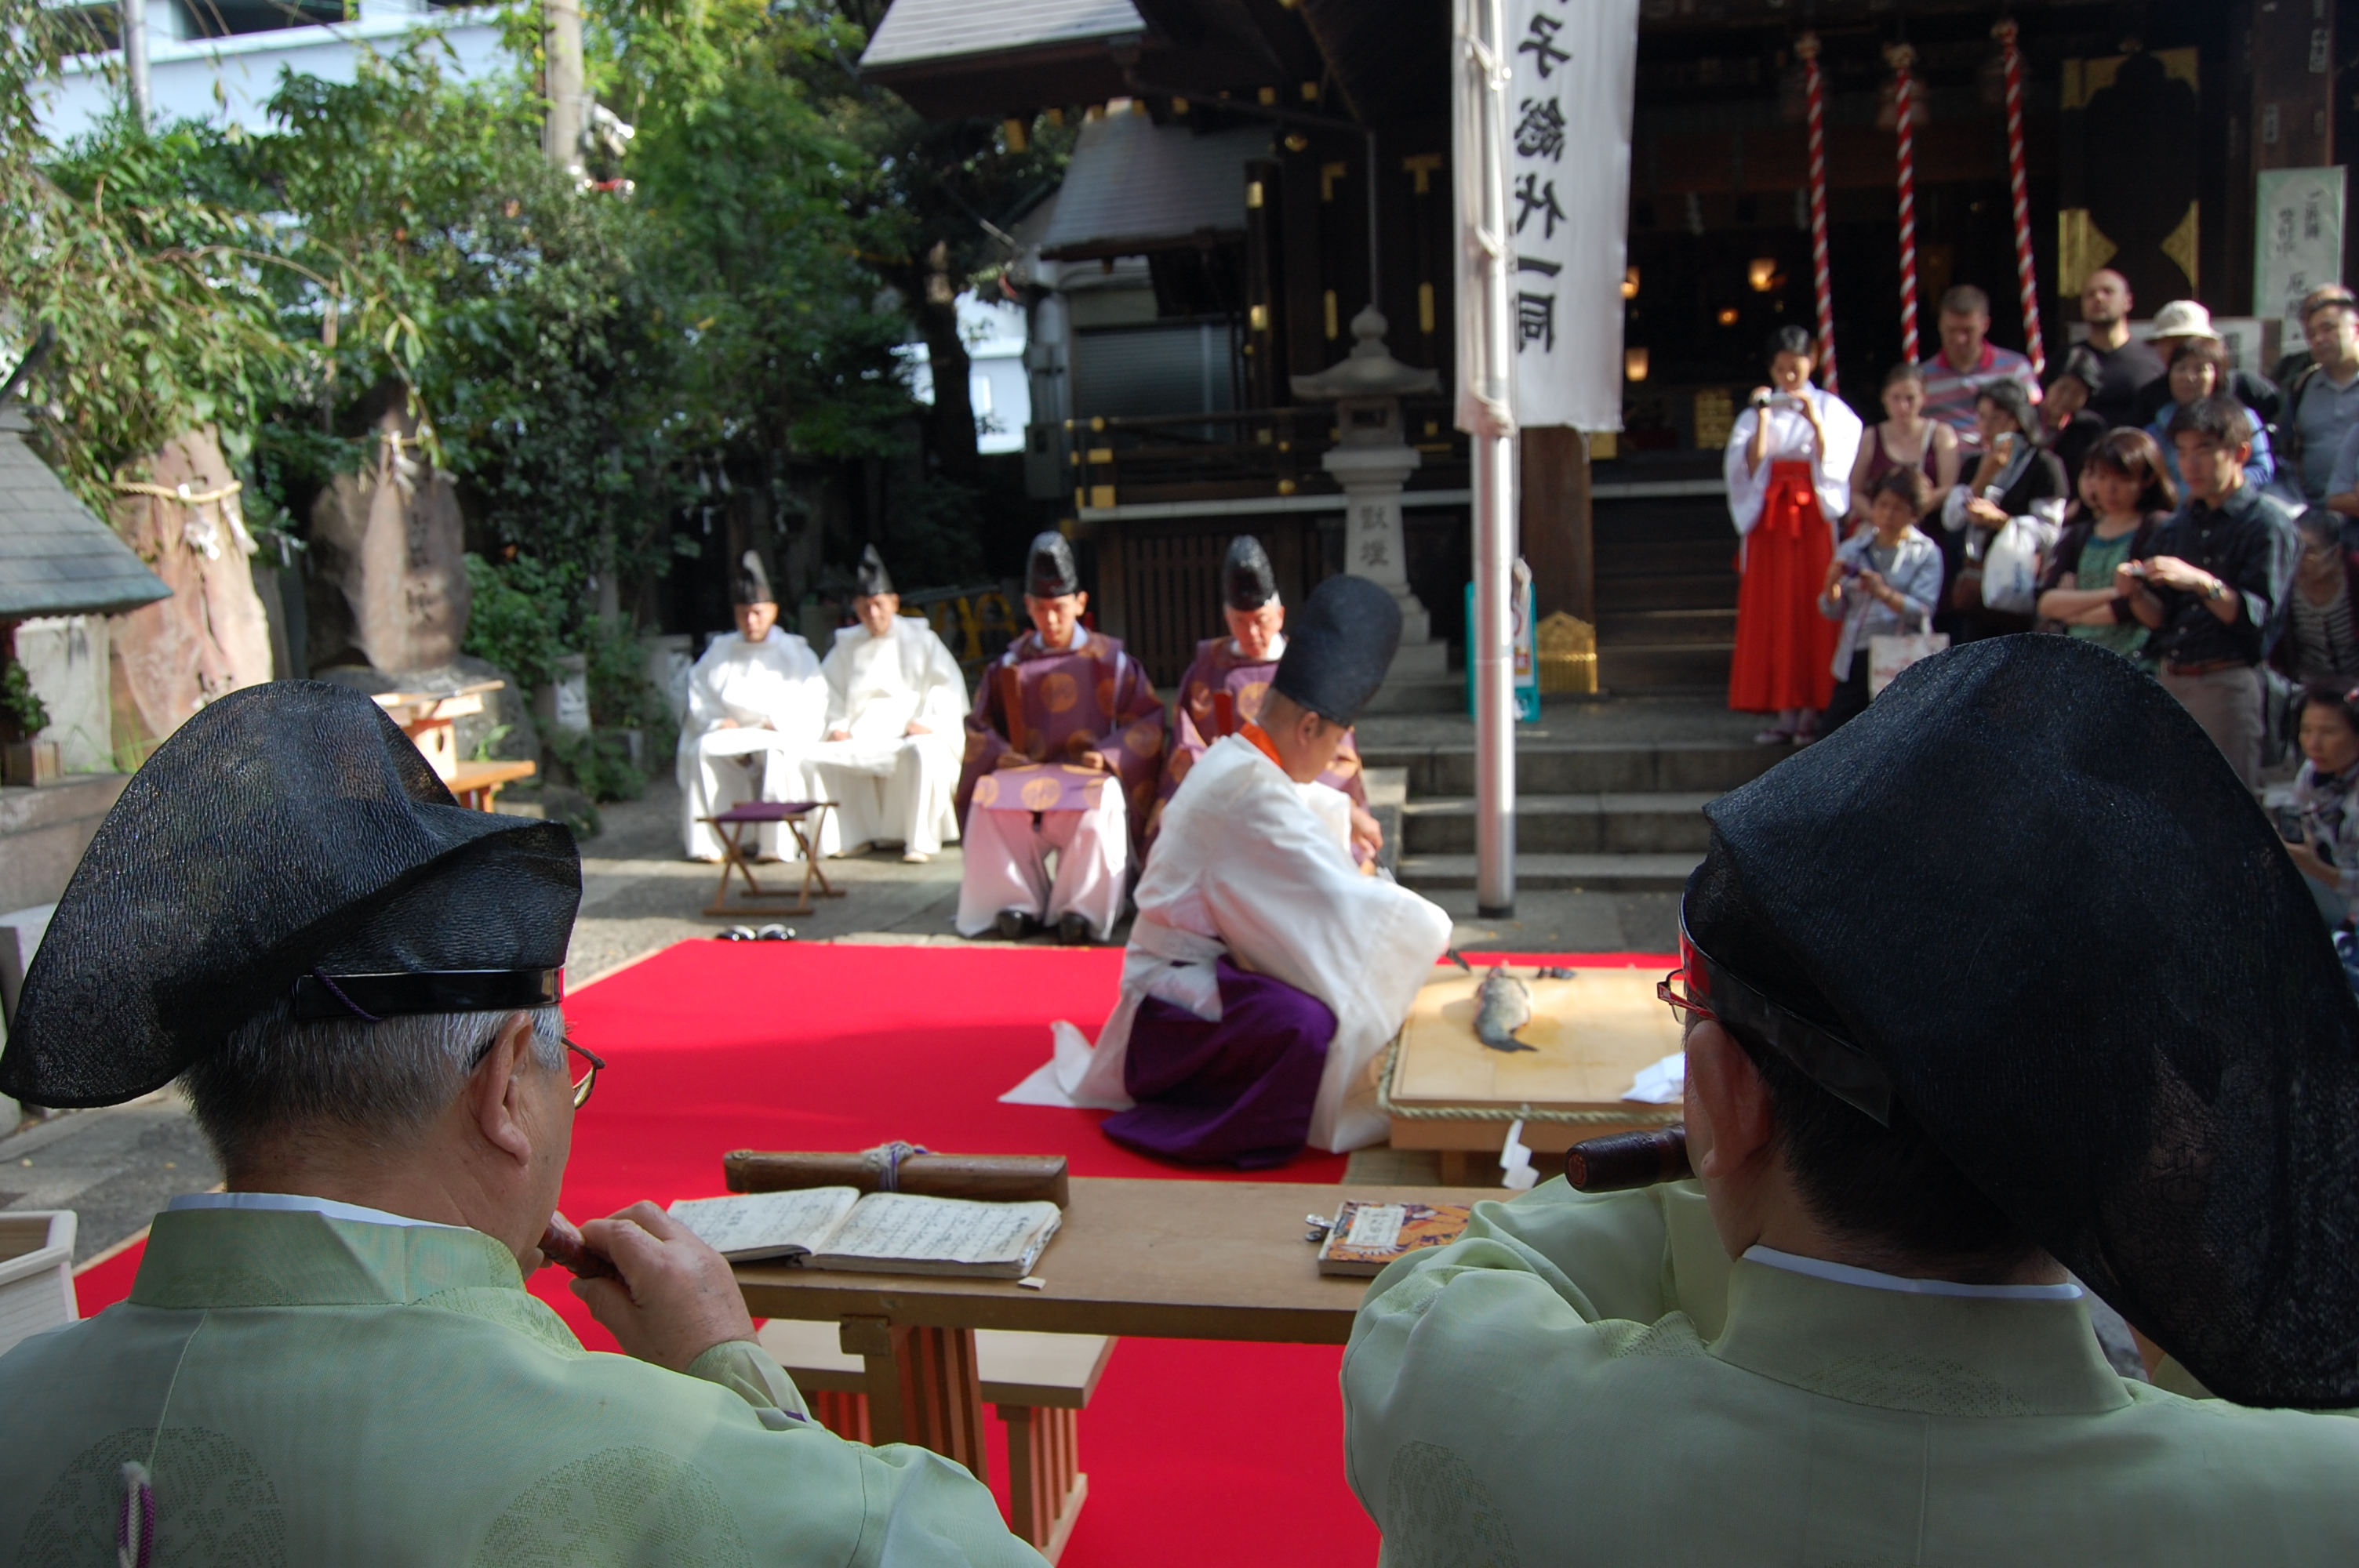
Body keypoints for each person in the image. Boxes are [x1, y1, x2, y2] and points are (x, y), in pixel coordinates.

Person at [1342, 635, 2359, 1566]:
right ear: (2131, 1137)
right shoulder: (2316, 1504)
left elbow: (1452, 1285)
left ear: (1721, 1100)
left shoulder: (1469, 1396)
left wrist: (1711, 1159)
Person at [0, 683, 1041, 1565]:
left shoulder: (19, 1402)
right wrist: (731, 1366)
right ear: (504, 1088)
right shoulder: (662, 1464)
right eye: (564, 1074)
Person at [1014, 575, 1452, 1166]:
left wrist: (1336, 806)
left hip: (1191, 976)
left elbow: (1286, 814)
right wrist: (1427, 924)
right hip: (1168, 1015)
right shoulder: (1252, 790)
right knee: (1303, 1024)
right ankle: (1206, 1117)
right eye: (1332, 744)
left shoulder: (1236, 756)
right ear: (1306, 728)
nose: (1331, 764)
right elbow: (1340, 902)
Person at [954, 532, 1165, 946]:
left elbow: (1147, 722)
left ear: (1080, 604)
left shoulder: (1112, 662)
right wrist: (999, 754)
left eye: (1059, 609)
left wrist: (1108, 755)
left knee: (1102, 800)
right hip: (1026, 784)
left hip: (1085, 783)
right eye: (1041, 609)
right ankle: (1015, 902)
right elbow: (979, 727)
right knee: (987, 796)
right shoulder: (1009, 665)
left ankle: (1081, 910)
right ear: (1028, 606)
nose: (1050, 621)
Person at [1151, 534, 1379, 865]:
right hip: (1226, 798)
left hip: (1303, 795)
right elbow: (1188, 745)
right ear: (1227, 619)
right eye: (1240, 623)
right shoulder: (1207, 670)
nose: (1253, 634)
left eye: (1260, 621)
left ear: (1280, 616)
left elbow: (1337, 749)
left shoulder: (1309, 668)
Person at [2119, 398, 2292, 789]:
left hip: (2227, 681)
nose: (2190, 463)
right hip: (2171, 676)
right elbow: (2159, 617)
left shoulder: (2266, 524)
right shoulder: (2175, 527)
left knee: (2230, 815)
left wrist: (2201, 581)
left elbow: (2257, 618)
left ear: (2240, 453)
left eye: (2204, 449)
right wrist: (2134, 593)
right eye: (2181, 451)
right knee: (2165, 804)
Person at [1724, 325, 1863, 746]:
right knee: (1775, 610)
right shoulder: (1757, 412)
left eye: (1796, 366)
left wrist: (1813, 420)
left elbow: (1837, 465)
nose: (1788, 375)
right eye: (1781, 368)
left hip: (1813, 517)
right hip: (1771, 521)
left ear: (1812, 361)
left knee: (1813, 607)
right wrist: (1765, 415)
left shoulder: (1831, 408)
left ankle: (1813, 711)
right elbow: (1748, 463)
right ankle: (1784, 712)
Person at [807, 546, 968, 864]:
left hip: (908, 732)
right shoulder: (845, 644)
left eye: (879, 605)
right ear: (856, 607)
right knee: (817, 757)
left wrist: (929, 721)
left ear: (894, 603)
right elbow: (828, 691)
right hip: (859, 733)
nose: (874, 614)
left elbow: (945, 686)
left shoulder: (922, 639)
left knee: (925, 750)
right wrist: (836, 724)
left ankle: (919, 840)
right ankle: (851, 836)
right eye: (865, 607)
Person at [678, 550, 831, 863]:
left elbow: (814, 695)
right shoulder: (720, 650)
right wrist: (717, 720)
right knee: (705, 749)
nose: (750, 620)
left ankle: (774, 843)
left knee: (777, 755)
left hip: (777, 732)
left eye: (758, 613)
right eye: (743, 613)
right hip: (732, 731)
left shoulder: (796, 652)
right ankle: (716, 840)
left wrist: (783, 722)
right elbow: (699, 693)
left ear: (773, 611)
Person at [1936, 379, 2069, 641]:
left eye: (1995, 419)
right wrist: (1984, 476)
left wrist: (2003, 522)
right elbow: (1951, 519)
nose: (1985, 427)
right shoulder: (1976, 464)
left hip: (2020, 585)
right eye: (1982, 418)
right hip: (1976, 585)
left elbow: (2050, 533)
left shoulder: (2044, 465)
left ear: (2016, 421)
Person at [1815, 468, 1943, 735]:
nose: (1887, 514)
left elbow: (1922, 610)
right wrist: (1831, 586)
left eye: (1897, 508)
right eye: (1882, 505)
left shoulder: (1926, 553)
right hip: (1857, 653)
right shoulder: (1854, 548)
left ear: (1913, 514)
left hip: (1903, 656)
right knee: (1833, 735)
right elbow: (1833, 610)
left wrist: (1883, 593)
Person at [2034, 427, 2175, 666]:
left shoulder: (2156, 528)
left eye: (2121, 479)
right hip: (2078, 664)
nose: (2110, 489)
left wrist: (2073, 608)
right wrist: (2115, 592)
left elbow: (2135, 610)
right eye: (2101, 477)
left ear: (2147, 479)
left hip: (2134, 664)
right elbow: (2047, 603)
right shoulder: (2079, 534)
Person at [1915, 284, 2041, 450]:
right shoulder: (1921, 378)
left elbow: (2033, 420)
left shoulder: (2016, 369)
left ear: (1985, 325)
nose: (1960, 339)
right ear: (1940, 325)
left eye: (1968, 331)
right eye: (1951, 330)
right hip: (1946, 464)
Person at [2128, 300, 2283, 430]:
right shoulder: (2150, 397)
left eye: (2185, 341)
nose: (2178, 350)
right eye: (2167, 343)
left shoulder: (2247, 388)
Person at [2147, 339, 2275, 492]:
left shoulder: (2242, 418)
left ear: (2217, 375)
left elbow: (2262, 469)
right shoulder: (2157, 427)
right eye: (2181, 368)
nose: (2189, 377)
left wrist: (2222, 485)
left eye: (2200, 369)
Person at [1845, 362, 1958, 529]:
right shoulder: (1871, 437)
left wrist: (1910, 512)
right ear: (1884, 398)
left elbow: (1949, 488)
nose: (1902, 407)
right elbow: (1855, 491)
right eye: (1896, 398)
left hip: (1928, 528)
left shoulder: (1941, 435)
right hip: (1880, 530)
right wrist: (1879, 517)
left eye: (1910, 399)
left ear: (1924, 398)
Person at [2283, 682, 2359, 929]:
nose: (2314, 743)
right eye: (2306, 730)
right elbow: (2295, 812)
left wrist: (2315, 869)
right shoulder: (2314, 770)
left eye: (2328, 732)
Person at [2281, 292, 2359, 506]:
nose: (2319, 339)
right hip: (2312, 510)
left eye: (2328, 329)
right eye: (2311, 334)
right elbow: (2285, 451)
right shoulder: (2302, 386)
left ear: (2356, 329)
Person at [2271, 508, 2359, 686]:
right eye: (2293, 549)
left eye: (2309, 552)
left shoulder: (2355, 574)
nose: (2298, 560)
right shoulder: (2282, 584)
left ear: (2336, 552)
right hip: (2308, 689)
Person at [2072, 267, 2165, 428]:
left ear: (2127, 302)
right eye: (2090, 294)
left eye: (2108, 291)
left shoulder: (2154, 358)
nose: (2099, 299)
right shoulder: (2068, 360)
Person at [2039, 347, 2107, 488]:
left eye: (2077, 392)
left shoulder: (2089, 428)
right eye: (2062, 388)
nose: (2066, 398)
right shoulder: (2023, 420)